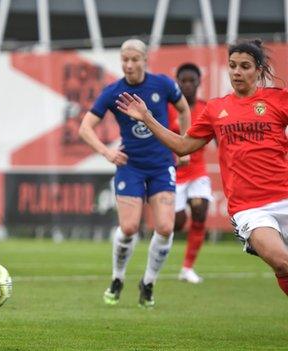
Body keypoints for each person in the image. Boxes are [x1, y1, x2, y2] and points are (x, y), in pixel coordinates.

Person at [115, 39, 288, 297]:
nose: (237, 72)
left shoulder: (278, 100)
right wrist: (148, 118)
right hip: (250, 208)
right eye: (232, 66)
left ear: (259, 70)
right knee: (282, 262)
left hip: (284, 196)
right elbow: (183, 145)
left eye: (245, 66)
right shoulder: (216, 109)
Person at [78, 39, 191, 307]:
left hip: (162, 165)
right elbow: (85, 128)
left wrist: (184, 145)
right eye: (124, 60)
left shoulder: (162, 84)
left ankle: (148, 283)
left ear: (145, 60)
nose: (129, 65)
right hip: (131, 166)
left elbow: (184, 109)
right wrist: (107, 153)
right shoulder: (113, 92)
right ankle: (117, 278)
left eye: (134, 59)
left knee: (165, 226)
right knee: (129, 227)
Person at [167, 63, 212, 284]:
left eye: (190, 81)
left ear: (198, 83)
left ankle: (187, 268)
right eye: (182, 81)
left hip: (198, 171)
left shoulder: (206, 108)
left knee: (200, 211)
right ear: (177, 82)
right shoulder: (168, 108)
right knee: (176, 223)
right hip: (174, 174)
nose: (186, 85)